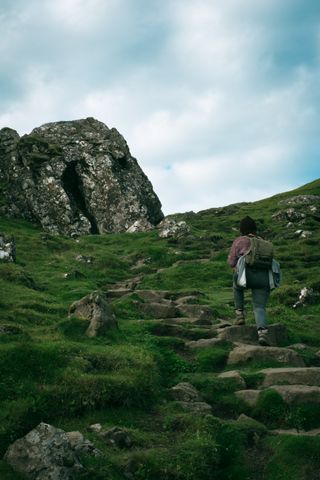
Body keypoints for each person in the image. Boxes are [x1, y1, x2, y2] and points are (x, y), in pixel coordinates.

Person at [227, 216, 272, 346]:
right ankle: (263, 333)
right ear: (255, 229)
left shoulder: (240, 240)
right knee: (259, 307)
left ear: (242, 229)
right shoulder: (263, 242)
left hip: (246, 276)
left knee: (237, 286)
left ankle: (240, 314)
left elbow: (231, 262)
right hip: (264, 279)